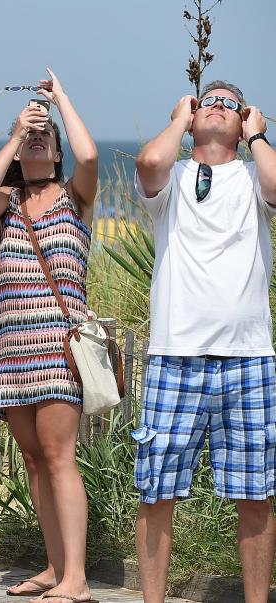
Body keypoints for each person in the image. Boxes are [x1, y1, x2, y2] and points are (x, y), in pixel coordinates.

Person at [133, 82, 276, 603]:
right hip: (176, 356)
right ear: (191, 117)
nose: (218, 105)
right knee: (157, 492)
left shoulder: (254, 174)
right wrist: (179, 119)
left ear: (245, 123)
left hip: (249, 357)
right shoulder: (174, 177)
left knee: (255, 494)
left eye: (229, 104)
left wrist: (258, 137)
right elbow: (150, 162)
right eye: (207, 99)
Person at [0, 68, 98, 603]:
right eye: (31, 137)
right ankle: (54, 566)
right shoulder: (10, 201)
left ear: (58, 150)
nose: (40, 137)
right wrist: (17, 134)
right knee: (33, 458)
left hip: (59, 343)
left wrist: (61, 98)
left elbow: (90, 156)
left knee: (58, 454)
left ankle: (78, 579)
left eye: (48, 136)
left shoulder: (75, 195)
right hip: (13, 346)